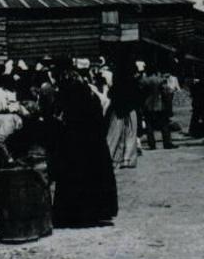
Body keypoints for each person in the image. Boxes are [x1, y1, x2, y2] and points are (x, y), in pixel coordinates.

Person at [52, 72, 118, 226]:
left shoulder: (70, 102)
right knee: (94, 178)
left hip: (75, 146)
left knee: (74, 178)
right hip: (94, 146)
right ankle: (94, 212)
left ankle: (73, 214)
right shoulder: (91, 98)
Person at [106, 62, 141, 169]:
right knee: (130, 134)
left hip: (118, 109)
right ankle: (127, 159)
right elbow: (138, 97)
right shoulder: (133, 82)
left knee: (115, 134)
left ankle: (111, 158)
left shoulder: (117, 83)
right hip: (130, 109)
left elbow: (110, 95)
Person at [141, 66, 173, 150]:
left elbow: (141, 94)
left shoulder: (143, 81)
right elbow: (166, 93)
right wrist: (169, 105)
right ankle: (167, 143)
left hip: (147, 105)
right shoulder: (161, 80)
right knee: (164, 125)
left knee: (149, 126)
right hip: (160, 105)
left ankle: (152, 144)